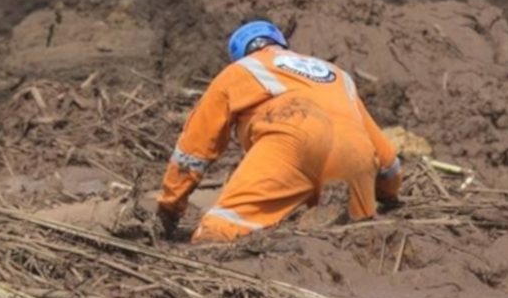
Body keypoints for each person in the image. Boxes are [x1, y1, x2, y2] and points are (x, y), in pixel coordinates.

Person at [157, 19, 402, 242]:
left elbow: (194, 151)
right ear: (283, 44)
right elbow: (387, 160)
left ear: (239, 54)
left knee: (218, 234)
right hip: (355, 154)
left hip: (293, 141)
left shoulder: (240, 70)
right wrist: (388, 196)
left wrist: (169, 208)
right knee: (354, 240)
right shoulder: (338, 75)